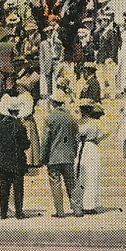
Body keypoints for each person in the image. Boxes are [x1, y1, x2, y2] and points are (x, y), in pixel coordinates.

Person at [39, 88, 82, 218]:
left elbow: (45, 141)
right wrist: (74, 153)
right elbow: (76, 139)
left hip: (54, 157)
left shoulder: (49, 118)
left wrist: (43, 157)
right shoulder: (72, 118)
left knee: (55, 184)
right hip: (68, 156)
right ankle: (77, 209)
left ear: (53, 103)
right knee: (72, 184)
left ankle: (60, 211)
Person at [0, 94, 30, 219]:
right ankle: (19, 212)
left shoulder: (0, 125)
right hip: (17, 161)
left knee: (3, 188)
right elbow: (25, 144)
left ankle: (3, 213)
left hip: (3, 161)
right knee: (18, 188)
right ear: (18, 111)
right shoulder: (19, 126)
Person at [73, 102, 105, 214]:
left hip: (84, 147)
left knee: (86, 176)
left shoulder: (80, 123)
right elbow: (105, 132)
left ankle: (86, 204)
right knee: (88, 175)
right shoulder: (95, 123)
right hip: (90, 147)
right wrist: (98, 139)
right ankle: (88, 205)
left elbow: (76, 135)